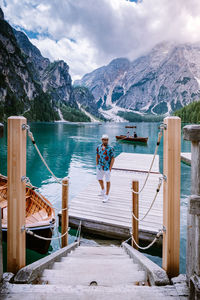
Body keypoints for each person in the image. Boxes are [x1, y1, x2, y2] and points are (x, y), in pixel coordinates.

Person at [96, 134, 115, 203]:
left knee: (107, 180)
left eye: (107, 140)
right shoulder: (98, 147)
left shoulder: (110, 148)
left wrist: (110, 168)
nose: (105, 141)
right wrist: (97, 164)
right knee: (99, 179)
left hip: (107, 167)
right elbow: (97, 155)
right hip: (100, 166)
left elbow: (113, 158)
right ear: (102, 140)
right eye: (104, 139)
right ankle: (103, 190)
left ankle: (107, 195)